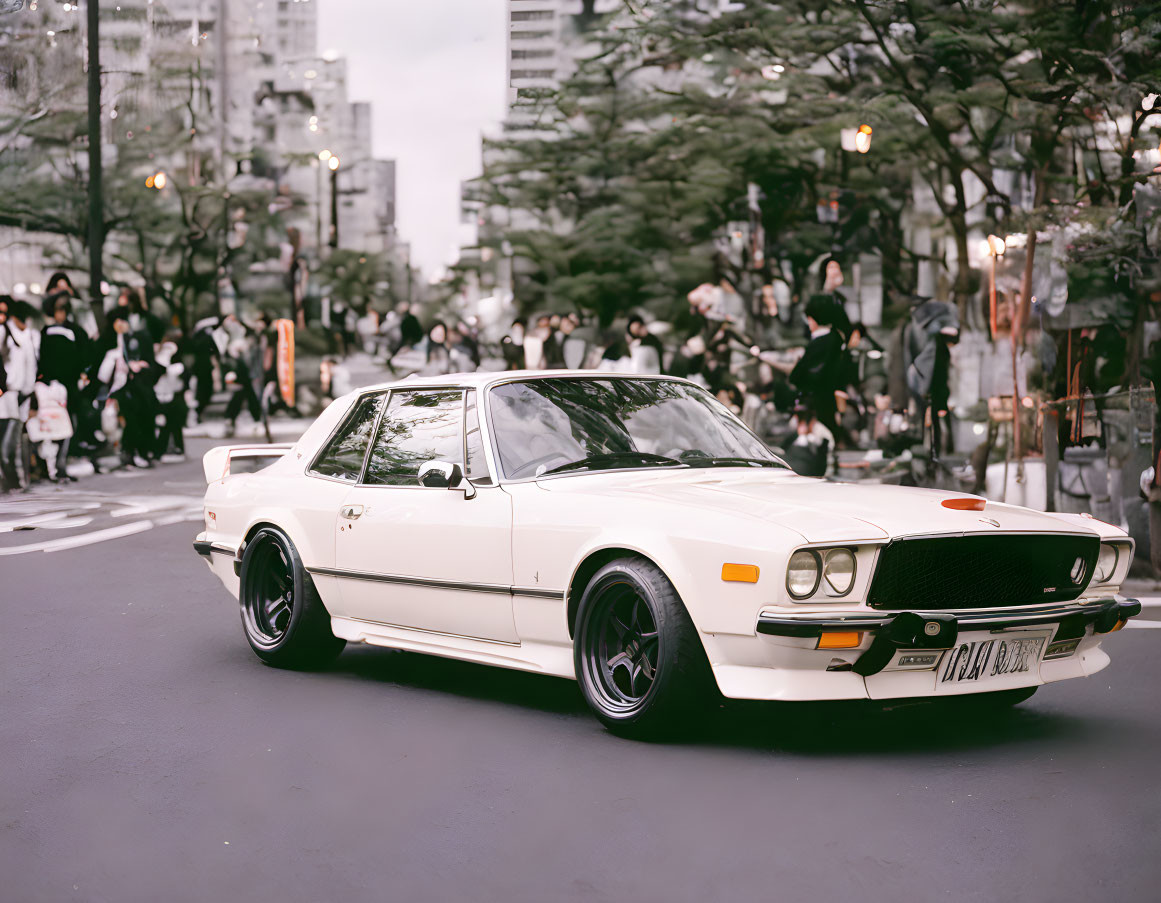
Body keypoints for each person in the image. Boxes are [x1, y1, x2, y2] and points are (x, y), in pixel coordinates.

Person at [38, 291, 92, 481]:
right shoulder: (51, 332)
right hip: (56, 386)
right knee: (55, 427)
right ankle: (53, 467)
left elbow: (83, 357)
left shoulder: (70, 332)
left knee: (64, 426)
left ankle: (58, 466)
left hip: (65, 386)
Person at [97, 309, 157, 468]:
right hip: (119, 389)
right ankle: (128, 453)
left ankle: (139, 453)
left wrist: (140, 367)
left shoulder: (137, 338)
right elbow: (102, 373)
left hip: (137, 387)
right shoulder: (109, 341)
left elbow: (149, 362)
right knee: (128, 422)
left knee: (139, 420)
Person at [0, 299, 40, 490]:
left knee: (18, 441)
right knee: (8, 442)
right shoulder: (5, 332)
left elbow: (31, 365)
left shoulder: (29, 336)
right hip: (7, 393)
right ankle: (12, 479)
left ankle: (19, 479)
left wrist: (30, 392)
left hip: (22, 394)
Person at [153, 341, 187, 460]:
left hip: (174, 396)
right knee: (164, 425)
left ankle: (177, 447)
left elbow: (182, 378)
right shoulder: (159, 363)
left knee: (174, 424)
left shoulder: (177, 365)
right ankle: (161, 450)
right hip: (161, 395)